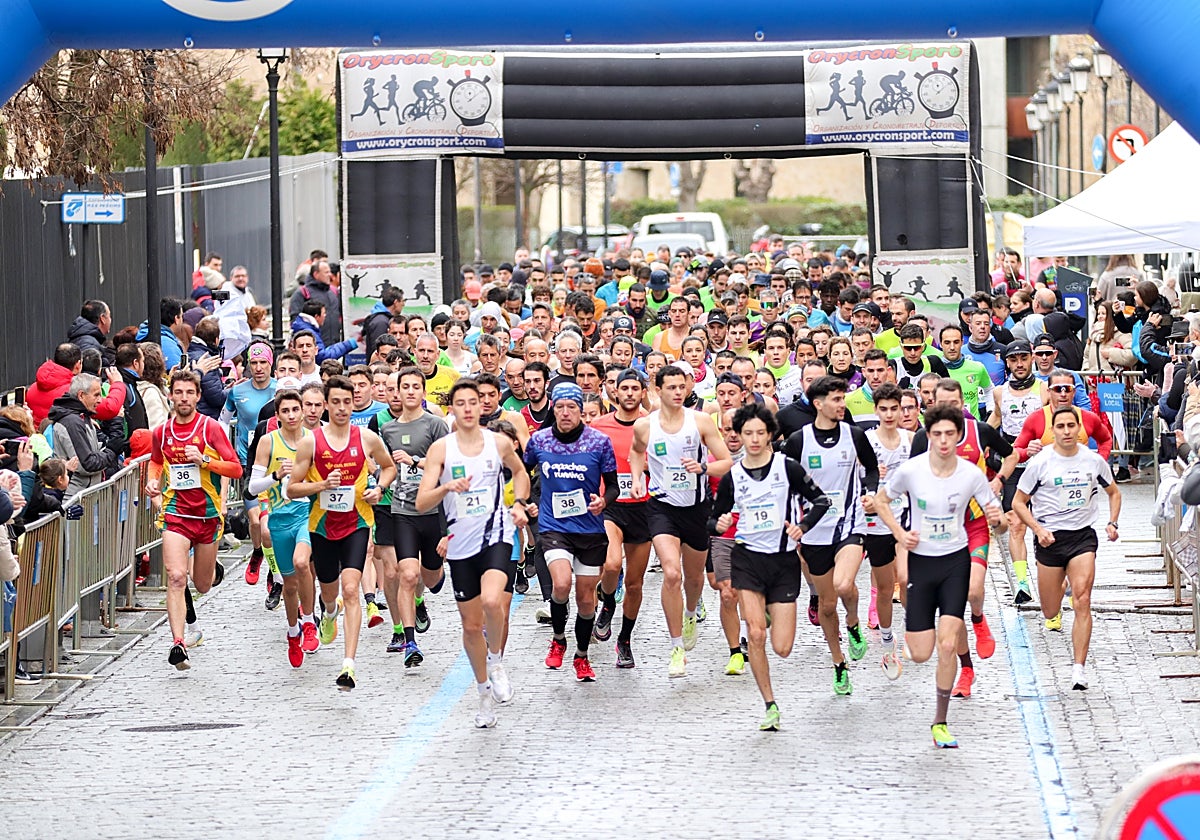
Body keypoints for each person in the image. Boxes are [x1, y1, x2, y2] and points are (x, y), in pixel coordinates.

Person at [873, 404, 1002, 749]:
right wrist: (900, 533)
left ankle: (940, 722)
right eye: (937, 434)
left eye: (950, 434)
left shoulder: (971, 475)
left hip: (954, 563)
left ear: (959, 436)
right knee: (920, 653)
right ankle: (907, 637)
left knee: (947, 644)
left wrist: (997, 517)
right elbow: (882, 501)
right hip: (921, 564)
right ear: (927, 436)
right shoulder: (912, 471)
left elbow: (999, 521)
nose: (944, 441)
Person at [416, 379, 531, 728]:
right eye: (461, 403)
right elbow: (422, 501)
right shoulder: (441, 449)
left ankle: (496, 660)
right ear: (451, 408)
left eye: (474, 402)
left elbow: (521, 472)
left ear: (482, 407)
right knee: (470, 625)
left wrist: (521, 504)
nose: (468, 409)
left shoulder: (497, 443)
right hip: (461, 545)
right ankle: (483, 694)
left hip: (497, 534)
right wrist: (446, 487)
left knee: (494, 602)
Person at [709, 403, 830, 731]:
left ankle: (763, 610)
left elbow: (822, 501)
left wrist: (802, 527)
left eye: (760, 433)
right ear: (739, 435)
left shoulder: (787, 468)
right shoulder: (733, 475)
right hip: (747, 558)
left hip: (783, 561)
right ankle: (769, 705)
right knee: (757, 636)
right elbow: (713, 517)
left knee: (783, 646)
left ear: (770, 434)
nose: (753, 439)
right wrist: (718, 524)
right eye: (747, 433)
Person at [287, 376, 396, 691]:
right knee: (331, 594)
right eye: (335, 402)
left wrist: (379, 488)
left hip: (357, 524)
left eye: (347, 402)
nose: (342, 408)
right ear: (326, 404)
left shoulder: (366, 438)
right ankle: (328, 613)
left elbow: (388, 468)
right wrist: (321, 486)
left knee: (352, 590)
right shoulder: (311, 442)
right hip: (321, 527)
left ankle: (348, 665)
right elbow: (292, 488)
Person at [629, 364, 733, 678]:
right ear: (657, 390)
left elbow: (726, 461)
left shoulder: (699, 421)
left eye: (681, 387)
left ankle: (691, 612)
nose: (677, 392)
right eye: (670, 387)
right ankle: (676, 648)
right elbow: (636, 453)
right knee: (671, 574)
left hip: (697, 508)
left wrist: (703, 469)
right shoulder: (645, 426)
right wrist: (637, 477)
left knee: (694, 579)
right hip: (662, 508)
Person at [1013, 406, 1121, 692]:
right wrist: (1037, 529)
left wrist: (1112, 522)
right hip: (1049, 539)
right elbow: (1018, 503)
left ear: (1079, 429)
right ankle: (1060, 585)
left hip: (1082, 537)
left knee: (1083, 598)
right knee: (1049, 611)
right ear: (1053, 430)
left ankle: (1078, 669)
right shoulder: (1041, 463)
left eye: (1071, 426)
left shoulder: (1093, 461)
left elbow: (1114, 492)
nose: (1066, 432)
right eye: (1060, 427)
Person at [784, 375, 879, 696]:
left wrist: (869, 492)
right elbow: (786, 479)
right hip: (813, 532)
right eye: (836, 400)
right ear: (818, 404)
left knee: (843, 584)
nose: (842, 404)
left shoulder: (854, 435)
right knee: (826, 606)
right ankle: (839, 663)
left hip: (850, 523)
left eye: (843, 399)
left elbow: (872, 468)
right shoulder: (798, 440)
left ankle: (853, 624)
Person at [146, 370, 243, 670]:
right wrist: (152, 482)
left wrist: (205, 461)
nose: (184, 398)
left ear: (198, 397)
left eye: (190, 393)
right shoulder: (162, 432)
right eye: (179, 392)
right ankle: (178, 643)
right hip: (175, 512)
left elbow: (236, 469)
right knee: (175, 577)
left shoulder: (210, 428)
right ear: (171, 395)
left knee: (201, 585)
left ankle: (211, 569)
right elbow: (155, 461)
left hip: (207, 515)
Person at [524, 382, 619, 682]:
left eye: (572, 408)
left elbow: (613, 485)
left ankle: (581, 656)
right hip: (554, 527)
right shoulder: (539, 442)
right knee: (561, 584)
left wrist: (604, 501)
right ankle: (558, 638)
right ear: (553, 408)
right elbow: (522, 472)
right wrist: (527, 503)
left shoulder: (599, 443)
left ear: (581, 411)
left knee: (586, 599)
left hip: (589, 530)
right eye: (560, 407)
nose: (565, 413)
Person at [377, 368, 449, 667]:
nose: (408, 391)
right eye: (404, 386)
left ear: (423, 391)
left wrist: (416, 462)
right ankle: (409, 641)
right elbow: (382, 465)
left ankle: (428, 589)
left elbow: (447, 466)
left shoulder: (436, 425)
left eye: (415, 386)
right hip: (402, 511)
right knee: (407, 574)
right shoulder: (388, 430)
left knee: (430, 577)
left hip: (433, 512)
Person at [246, 389, 319, 667]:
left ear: (303, 413)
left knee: (303, 564)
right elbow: (253, 488)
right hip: (278, 519)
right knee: (289, 586)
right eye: (285, 411)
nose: (291, 415)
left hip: (306, 514)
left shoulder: (312, 441)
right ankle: (293, 632)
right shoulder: (268, 442)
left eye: (295, 410)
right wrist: (276, 476)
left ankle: (310, 622)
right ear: (277, 415)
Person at [590, 369, 654, 668]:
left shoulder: (654, 426)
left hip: (644, 508)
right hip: (611, 505)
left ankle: (625, 640)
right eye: (623, 388)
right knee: (612, 563)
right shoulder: (599, 426)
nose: (629, 393)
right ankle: (606, 603)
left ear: (643, 392)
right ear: (614, 392)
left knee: (635, 583)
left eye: (634, 388)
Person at [989, 339, 1047, 604]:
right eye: (1014, 360)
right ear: (1008, 363)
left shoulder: (1043, 389)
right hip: (1013, 465)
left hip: (1041, 466)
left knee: (1046, 524)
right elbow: (995, 421)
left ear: (1032, 358)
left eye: (1024, 358)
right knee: (1015, 525)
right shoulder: (1000, 392)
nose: (1019, 364)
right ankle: (1022, 583)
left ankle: (1053, 576)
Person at [861, 383, 911, 674]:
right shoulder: (866, 441)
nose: (891, 414)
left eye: (896, 408)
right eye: (885, 409)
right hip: (876, 522)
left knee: (904, 579)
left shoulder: (911, 439)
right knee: (883, 586)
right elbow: (853, 476)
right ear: (876, 410)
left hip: (904, 518)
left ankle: (911, 629)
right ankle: (888, 639)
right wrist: (867, 483)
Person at [221, 342, 277, 591]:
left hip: (276, 461)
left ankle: (274, 571)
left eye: (263, 362)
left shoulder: (281, 390)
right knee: (255, 522)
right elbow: (223, 421)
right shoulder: (237, 392)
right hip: (248, 461)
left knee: (270, 523)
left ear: (271, 363)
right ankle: (257, 553)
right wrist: (224, 448)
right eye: (253, 363)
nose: (258, 368)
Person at [49, 373, 123, 496]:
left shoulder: (83, 416)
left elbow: (90, 451)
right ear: (81, 395)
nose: (100, 400)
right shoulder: (72, 422)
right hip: (75, 498)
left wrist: (107, 446)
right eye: (96, 395)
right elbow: (86, 464)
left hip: (85, 494)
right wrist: (111, 451)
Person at [288, 260, 343, 348]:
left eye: (330, 272)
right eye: (326, 272)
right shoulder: (302, 293)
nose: (330, 275)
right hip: (313, 348)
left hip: (333, 345)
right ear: (316, 274)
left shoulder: (334, 292)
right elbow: (295, 320)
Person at [67, 300, 114, 366]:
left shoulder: (84, 338)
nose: (110, 320)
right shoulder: (89, 344)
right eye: (109, 316)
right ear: (102, 318)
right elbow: (88, 373)